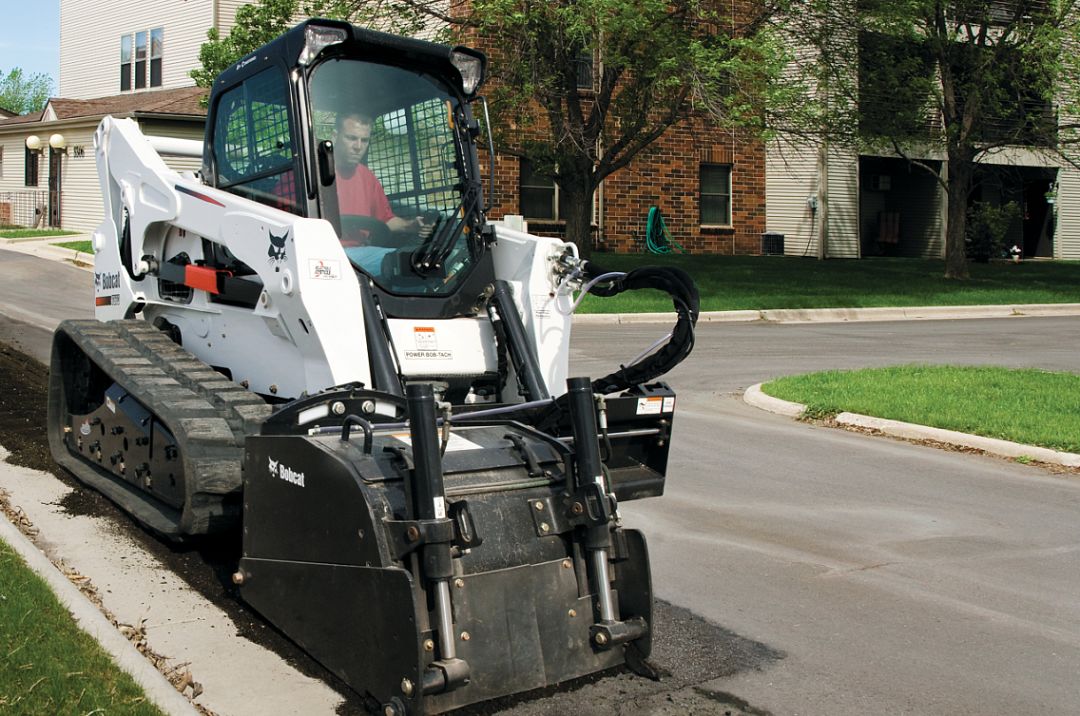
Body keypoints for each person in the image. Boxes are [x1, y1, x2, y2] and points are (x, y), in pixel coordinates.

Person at [333, 112, 424, 235]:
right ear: (335, 137)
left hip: (363, 246)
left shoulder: (367, 177)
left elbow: (386, 220)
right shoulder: (314, 173)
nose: (358, 146)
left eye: (364, 140)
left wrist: (411, 225)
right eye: (351, 138)